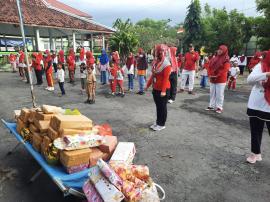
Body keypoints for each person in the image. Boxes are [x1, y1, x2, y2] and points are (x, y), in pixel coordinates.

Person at [246, 50, 270, 164]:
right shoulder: (261, 66)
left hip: (268, 104)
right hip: (256, 103)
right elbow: (249, 79)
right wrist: (266, 74)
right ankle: (256, 153)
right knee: (256, 130)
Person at [145, 44, 171, 131]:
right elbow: (153, 75)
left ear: (162, 52)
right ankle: (158, 122)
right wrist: (147, 85)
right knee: (158, 107)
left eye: (158, 52)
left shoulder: (166, 64)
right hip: (156, 88)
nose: (156, 54)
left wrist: (163, 91)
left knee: (162, 107)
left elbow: (165, 79)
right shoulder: (156, 63)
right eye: (156, 52)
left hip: (163, 89)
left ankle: (162, 124)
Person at [205, 45, 230, 114]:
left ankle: (219, 107)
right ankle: (211, 105)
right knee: (212, 93)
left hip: (221, 79)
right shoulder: (214, 58)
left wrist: (217, 75)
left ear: (224, 51)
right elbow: (209, 66)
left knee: (219, 94)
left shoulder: (226, 59)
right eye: (218, 49)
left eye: (221, 50)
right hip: (212, 78)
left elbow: (226, 69)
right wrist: (210, 74)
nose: (219, 51)